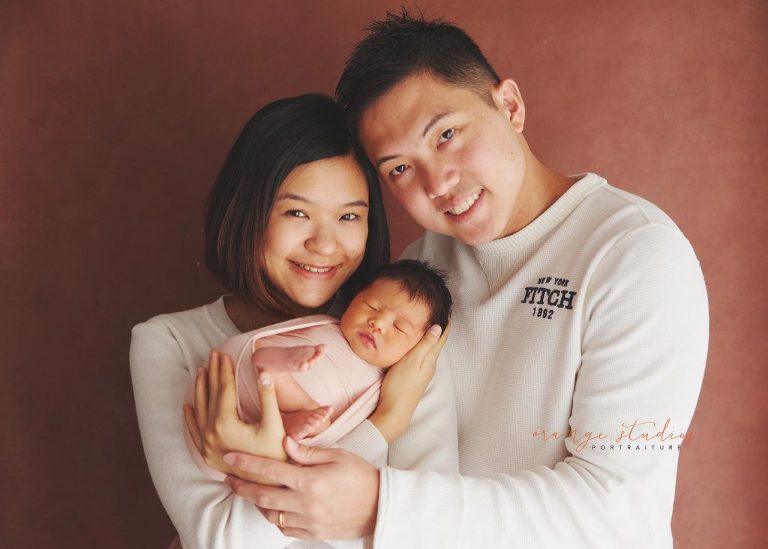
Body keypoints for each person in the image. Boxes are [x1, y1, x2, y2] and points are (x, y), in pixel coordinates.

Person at [215, 11, 709, 548]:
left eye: (446, 134)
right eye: (399, 169)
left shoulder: (633, 253)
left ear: (510, 106)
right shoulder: (417, 271)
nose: (437, 182)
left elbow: (617, 507)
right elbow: (353, 437)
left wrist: (384, 506)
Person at [130, 94, 453, 548]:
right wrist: (381, 433)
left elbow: (434, 535)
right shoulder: (167, 342)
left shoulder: (399, 340)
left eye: (348, 216)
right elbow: (225, 541)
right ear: (248, 212)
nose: (325, 245)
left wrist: (389, 419)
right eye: (297, 212)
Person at [184, 259, 451, 469]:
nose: (378, 324)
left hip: (262, 439)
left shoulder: (384, 388)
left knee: (320, 424)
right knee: (266, 353)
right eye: (371, 306)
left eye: (399, 327)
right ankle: (276, 369)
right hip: (238, 380)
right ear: (354, 298)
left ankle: (289, 421)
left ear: (418, 349)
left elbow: (341, 443)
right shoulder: (329, 326)